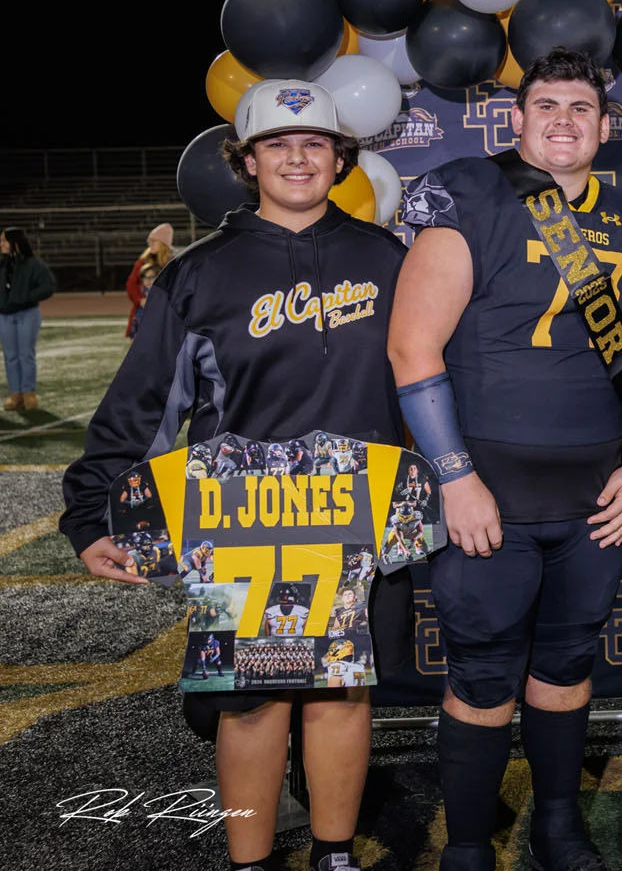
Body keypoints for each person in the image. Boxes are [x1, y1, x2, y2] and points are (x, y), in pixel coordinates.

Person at [59, 79, 412, 871]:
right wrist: (91, 514)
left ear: (340, 157)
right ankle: (248, 862)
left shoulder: (386, 259)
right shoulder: (199, 275)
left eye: (315, 143)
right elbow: (143, 406)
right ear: (248, 160)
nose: (297, 157)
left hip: (355, 519)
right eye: (278, 145)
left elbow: (427, 385)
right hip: (244, 525)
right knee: (252, 706)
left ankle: (334, 855)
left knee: (340, 694)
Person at [387, 48, 622, 871]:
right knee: (481, 674)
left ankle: (556, 825)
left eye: (582, 107)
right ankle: (468, 844)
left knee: (569, 664)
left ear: (605, 125)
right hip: (489, 496)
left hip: (592, 498)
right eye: (547, 106)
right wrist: (455, 476)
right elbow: (412, 347)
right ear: (518, 119)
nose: (564, 121)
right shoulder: (472, 192)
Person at [0, 227, 56, 411]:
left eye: (4, 241)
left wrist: (27, 296)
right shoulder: (2, 263)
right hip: (5, 315)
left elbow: (48, 285)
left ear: (15, 242)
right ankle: (15, 394)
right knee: (10, 357)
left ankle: (28, 393)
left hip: (27, 314)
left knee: (25, 354)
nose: (1, 244)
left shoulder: (33, 264)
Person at [126, 222, 174, 339]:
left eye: (154, 241)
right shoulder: (143, 261)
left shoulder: (172, 262)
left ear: (163, 244)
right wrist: (140, 300)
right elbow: (131, 284)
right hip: (144, 312)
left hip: (165, 312)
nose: (150, 244)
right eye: (150, 241)